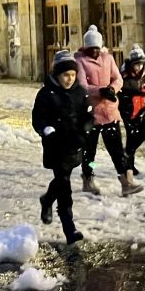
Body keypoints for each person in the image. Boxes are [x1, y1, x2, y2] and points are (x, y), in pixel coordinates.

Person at [32, 50, 91, 245]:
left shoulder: (80, 92)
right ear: (57, 74)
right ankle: (69, 227)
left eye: (73, 75)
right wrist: (45, 129)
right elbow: (38, 118)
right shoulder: (46, 94)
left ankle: (47, 199)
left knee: (61, 180)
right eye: (66, 75)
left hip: (74, 145)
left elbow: (88, 115)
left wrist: (85, 128)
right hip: (56, 145)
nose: (70, 79)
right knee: (64, 183)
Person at [76, 26, 142, 196]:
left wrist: (112, 89)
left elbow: (118, 78)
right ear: (86, 48)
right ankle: (88, 177)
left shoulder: (108, 58)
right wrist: (100, 91)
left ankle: (126, 181)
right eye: (91, 49)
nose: (95, 52)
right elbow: (82, 85)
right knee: (89, 151)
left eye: (97, 48)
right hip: (91, 113)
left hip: (110, 111)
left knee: (117, 150)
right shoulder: (80, 61)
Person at [119, 45, 145, 177]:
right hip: (128, 110)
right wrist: (140, 91)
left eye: (141, 64)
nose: (139, 67)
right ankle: (129, 165)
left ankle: (127, 153)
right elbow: (127, 89)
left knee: (143, 133)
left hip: (141, 108)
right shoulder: (125, 74)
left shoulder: (144, 73)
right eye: (136, 64)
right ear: (132, 64)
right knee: (131, 136)